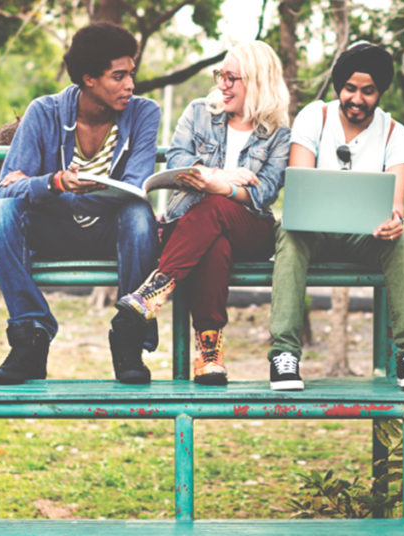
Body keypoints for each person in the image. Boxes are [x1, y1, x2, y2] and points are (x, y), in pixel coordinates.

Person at [0, 22, 161, 385]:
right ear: (89, 79)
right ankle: (30, 336)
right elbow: (5, 192)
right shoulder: (44, 112)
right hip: (54, 231)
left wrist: (54, 193)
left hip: (111, 233)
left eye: (132, 74)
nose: (130, 84)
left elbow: (134, 189)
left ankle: (129, 336)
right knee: (2, 213)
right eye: (119, 76)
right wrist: (53, 182)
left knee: (139, 216)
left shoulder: (144, 113)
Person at [116, 41, 292, 385]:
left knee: (216, 208)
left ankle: (156, 288)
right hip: (192, 226)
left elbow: (264, 192)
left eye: (232, 77)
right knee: (215, 244)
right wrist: (222, 176)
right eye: (219, 75)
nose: (222, 84)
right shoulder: (198, 112)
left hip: (250, 229)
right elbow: (179, 160)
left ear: (257, 81)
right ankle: (209, 353)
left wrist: (217, 186)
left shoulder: (278, 135)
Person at [267, 42, 404, 391]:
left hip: (366, 238)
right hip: (313, 236)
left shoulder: (395, 134)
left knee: (401, 241)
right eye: (350, 89)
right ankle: (284, 355)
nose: (357, 98)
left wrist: (394, 220)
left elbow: (395, 205)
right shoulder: (316, 116)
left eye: (368, 91)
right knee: (290, 234)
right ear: (339, 88)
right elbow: (300, 184)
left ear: (379, 92)